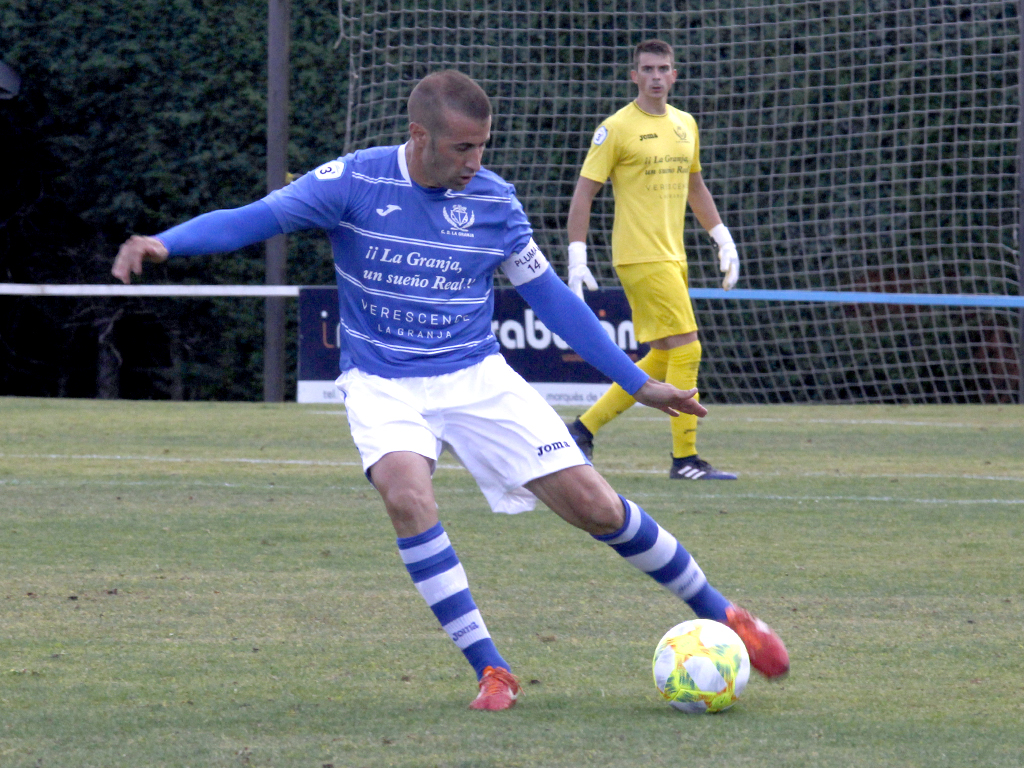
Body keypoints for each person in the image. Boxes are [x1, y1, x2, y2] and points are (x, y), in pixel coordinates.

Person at [112, 70, 787, 711]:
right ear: (419, 135)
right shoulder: (353, 181)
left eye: (482, 146)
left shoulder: (494, 200)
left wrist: (637, 382)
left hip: (477, 377)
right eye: (463, 147)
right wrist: (165, 243)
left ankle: (722, 611)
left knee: (596, 506)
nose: (474, 160)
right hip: (383, 383)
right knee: (407, 494)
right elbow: (252, 219)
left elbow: (549, 297)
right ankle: (491, 667)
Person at [565, 39, 740, 481]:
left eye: (664, 68)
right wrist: (576, 255)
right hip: (639, 255)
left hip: (672, 254)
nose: (656, 76)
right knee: (688, 347)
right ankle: (685, 460)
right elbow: (585, 192)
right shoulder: (616, 128)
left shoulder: (686, 124)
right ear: (634, 76)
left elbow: (696, 186)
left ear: (674, 75)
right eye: (648, 69)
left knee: (662, 359)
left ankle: (582, 430)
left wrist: (722, 237)